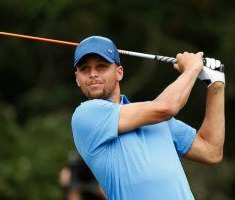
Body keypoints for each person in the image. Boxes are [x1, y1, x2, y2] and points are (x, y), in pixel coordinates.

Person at [71, 36, 225, 200]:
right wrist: (192, 68)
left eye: (101, 66)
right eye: (85, 69)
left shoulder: (157, 120)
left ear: (119, 73)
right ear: (77, 78)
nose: (93, 74)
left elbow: (211, 151)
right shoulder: (86, 115)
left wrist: (215, 84)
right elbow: (168, 107)